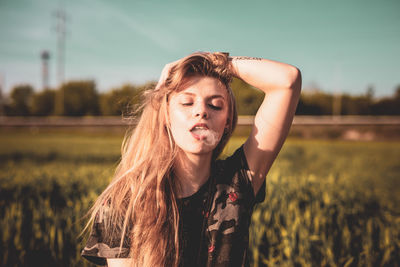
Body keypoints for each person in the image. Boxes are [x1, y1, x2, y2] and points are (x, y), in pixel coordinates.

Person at [81, 52, 301, 267]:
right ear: (166, 116)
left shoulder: (238, 181)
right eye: (187, 102)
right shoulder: (125, 200)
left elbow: (287, 80)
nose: (201, 112)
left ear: (227, 122)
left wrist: (216, 61)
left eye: (215, 105)